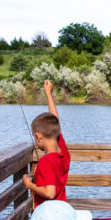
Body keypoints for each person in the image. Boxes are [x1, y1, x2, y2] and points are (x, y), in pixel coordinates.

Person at [23, 79, 70, 208]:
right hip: (61, 210)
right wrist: (48, 94)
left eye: (34, 136)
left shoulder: (46, 161)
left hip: (49, 215)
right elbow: (54, 122)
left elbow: (50, 193)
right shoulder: (63, 153)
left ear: (38, 136)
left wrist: (30, 185)